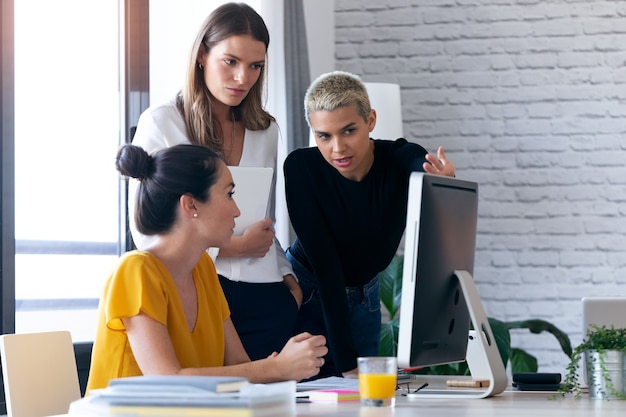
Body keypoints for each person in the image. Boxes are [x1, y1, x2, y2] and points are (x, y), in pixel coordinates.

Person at [128, 2, 301, 360]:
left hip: (264, 291)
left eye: (256, 66)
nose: (243, 78)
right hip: (195, 287)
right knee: (204, 404)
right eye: (231, 62)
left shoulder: (265, 130)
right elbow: (145, 231)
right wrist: (230, 248)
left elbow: (261, 218)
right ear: (202, 56)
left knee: (273, 405)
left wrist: (286, 276)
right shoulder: (162, 123)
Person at [87, 144, 327, 393]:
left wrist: (289, 365)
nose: (237, 211)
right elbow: (165, 380)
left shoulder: (203, 268)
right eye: (229, 194)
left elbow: (239, 365)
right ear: (191, 205)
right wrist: (277, 368)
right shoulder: (135, 270)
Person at [283, 71, 456, 379]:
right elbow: (326, 266)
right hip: (309, 289)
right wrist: (349, 364)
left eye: (349, 131)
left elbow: (419, 167)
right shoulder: (301, 168)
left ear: (371, 120)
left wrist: (438, 182)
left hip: (365, 293)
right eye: (324, 136)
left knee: (361, 404)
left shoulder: (400, 157)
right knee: (311, 398)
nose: (337, 148)